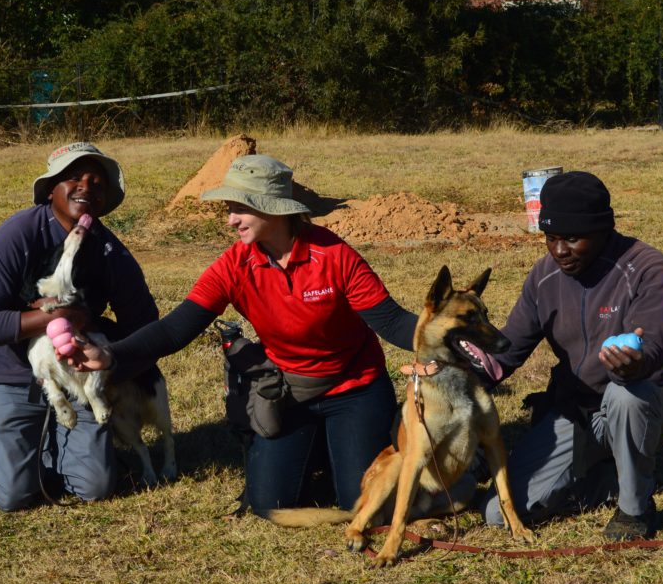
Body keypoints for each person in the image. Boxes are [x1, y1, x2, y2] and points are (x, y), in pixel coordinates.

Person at [55, 154, 420, 517]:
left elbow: (390, 320)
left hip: (354, 389)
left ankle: (347, 445)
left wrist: (447, 341)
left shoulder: (334, 254)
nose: (230, 220)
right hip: (290, 392)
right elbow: (175, 328)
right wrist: (111, 357)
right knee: (267, 505)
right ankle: (324, 450)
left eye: (239, 209)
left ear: (273, 209)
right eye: (229, 208)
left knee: (365, 506)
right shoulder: (235, 264)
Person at [0, 142, 160, 511]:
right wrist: (52, 318)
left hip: (79, 379)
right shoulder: (15, 236)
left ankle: (47, 449)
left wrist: (108, 358)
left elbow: (146, 327)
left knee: (95, 486)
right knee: (14, 495)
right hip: (13, 374)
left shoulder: (110, 251)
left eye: (97, 183)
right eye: (73, 178)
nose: (86, 187)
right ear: (51, 189)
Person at [475, 171, 663, 540]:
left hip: (640, 401)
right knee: (497, 513)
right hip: (575, 410)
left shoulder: (644, 265)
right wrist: (458, 371)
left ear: (603, 229)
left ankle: (634, 510)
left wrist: (636, 365)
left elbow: (653, 345)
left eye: (572, 239)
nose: (559, 252)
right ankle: (613, 481)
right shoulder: (543, 276)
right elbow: (509, 350)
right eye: (551, 239)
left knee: (626, 394)